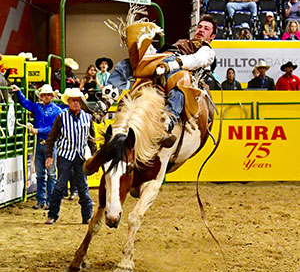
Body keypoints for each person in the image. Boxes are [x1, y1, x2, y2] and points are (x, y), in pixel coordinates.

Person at [81, 14, 218, 143]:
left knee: (181, 85)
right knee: (125, 65)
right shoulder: (182, 43)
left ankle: (168, 122)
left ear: (212, 36)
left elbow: (195, 60)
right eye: (200, 27)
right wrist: (139, 42)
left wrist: (171, 65)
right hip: (162, 60)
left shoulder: (208, 51)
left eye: (206, 29)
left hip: (180, 69)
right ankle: (104, 104)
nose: (201, 30)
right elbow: (157, 55)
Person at [45, 87, 97, 224]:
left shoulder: (87, 118)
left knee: (83, 187)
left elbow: (91, 138)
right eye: (73, 100)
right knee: (60, 186)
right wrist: (49, 156)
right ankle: (52, 215)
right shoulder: (61, 118)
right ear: (68, 102)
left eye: (78, 100)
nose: (76, 103)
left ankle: (87, 216)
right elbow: (52, 138)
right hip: (65, 156)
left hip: (80, 156)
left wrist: (94, 155)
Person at [11, 84, 62, 209]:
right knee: (41, 174)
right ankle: (42, 201)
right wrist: (19, 92)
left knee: (51, 174)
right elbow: (26, 103)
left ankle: (49, 201)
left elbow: (53, 129)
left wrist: (38, 130)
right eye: (44, 95)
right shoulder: (39, 107)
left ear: (52, 96)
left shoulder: (57, 111)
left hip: (50, 144)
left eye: (48, 95)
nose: (46, 97)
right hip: (40, 144)